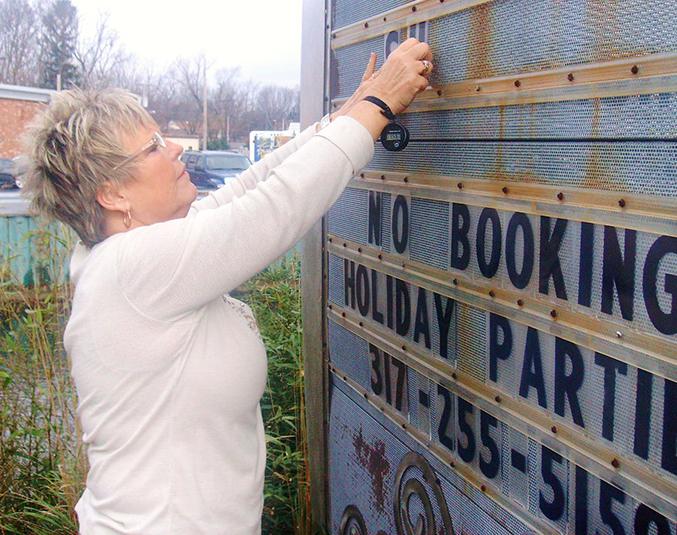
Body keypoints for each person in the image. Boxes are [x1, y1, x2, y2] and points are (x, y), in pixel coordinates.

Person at [23, 38, 433, 535]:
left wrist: (345, 115)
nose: (174, 146)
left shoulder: (126, 259)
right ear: (112, 193)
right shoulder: (131, 270)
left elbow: (250, 187)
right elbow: (271, 211)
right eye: (153, 146)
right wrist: (377, 107)